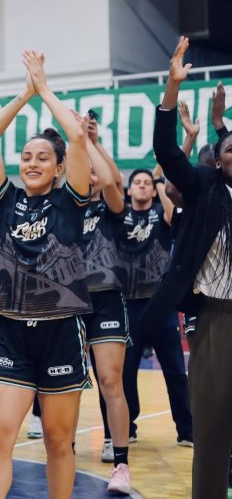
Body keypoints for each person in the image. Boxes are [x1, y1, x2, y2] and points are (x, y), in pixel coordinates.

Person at [0, 50, 92, 499]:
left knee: (58, 442)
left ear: (59, 167)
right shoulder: (4, 201)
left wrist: (45, 89)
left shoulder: (71, 201)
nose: (32, 162)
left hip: (60, 331)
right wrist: (24, 94)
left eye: (43, 157)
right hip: (10, 332)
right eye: (26, 156)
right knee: (1, 436)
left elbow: (78, 139)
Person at [150, 36, 232, 499]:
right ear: (217, 164)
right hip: (218, 317)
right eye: (229, 152)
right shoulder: (205, 191)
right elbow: (167, 153)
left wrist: (222, 125)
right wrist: (172, 87)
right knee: (213, 427)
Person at [118, 158, 192, 446]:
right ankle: (129, 427)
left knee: (174, 368)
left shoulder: (161, 214)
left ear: (152, 191)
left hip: (160, 304)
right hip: (129, 304)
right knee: (127, 370)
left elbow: (176, 217)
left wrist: (159, 183)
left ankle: (186, 430)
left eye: (146, 183)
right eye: (137, 182)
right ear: (128, 189)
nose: (142, 185)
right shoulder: (120, 215)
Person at [79, 115, 132, 494]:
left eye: (95, 171)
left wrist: (91, 142)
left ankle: (121, 465)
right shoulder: (65, 207)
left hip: (107, 299)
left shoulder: (111, 209)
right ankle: (61, 448)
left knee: (111, 381)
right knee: (63, 384)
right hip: (66, 302)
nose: (92, 176)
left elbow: (113, 182)